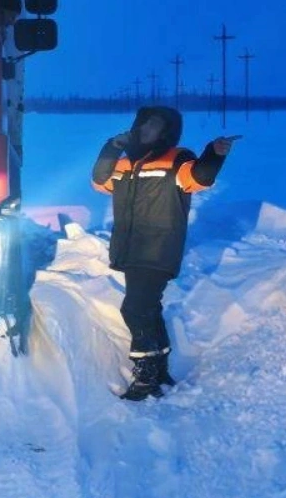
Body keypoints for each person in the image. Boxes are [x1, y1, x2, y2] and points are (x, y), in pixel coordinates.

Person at [91, 106, 236, 401]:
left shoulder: (177, 159)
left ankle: (145, 375)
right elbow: (99, 182)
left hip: (158, 247)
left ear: (166, 131)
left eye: (154, 125)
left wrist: (214, 153)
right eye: (144, 124)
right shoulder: (125, 163)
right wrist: (111, 147)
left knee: (133, 308)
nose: (146, 129)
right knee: (147, 307)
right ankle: (159, 369)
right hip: (130, 247)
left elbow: (200, 178)